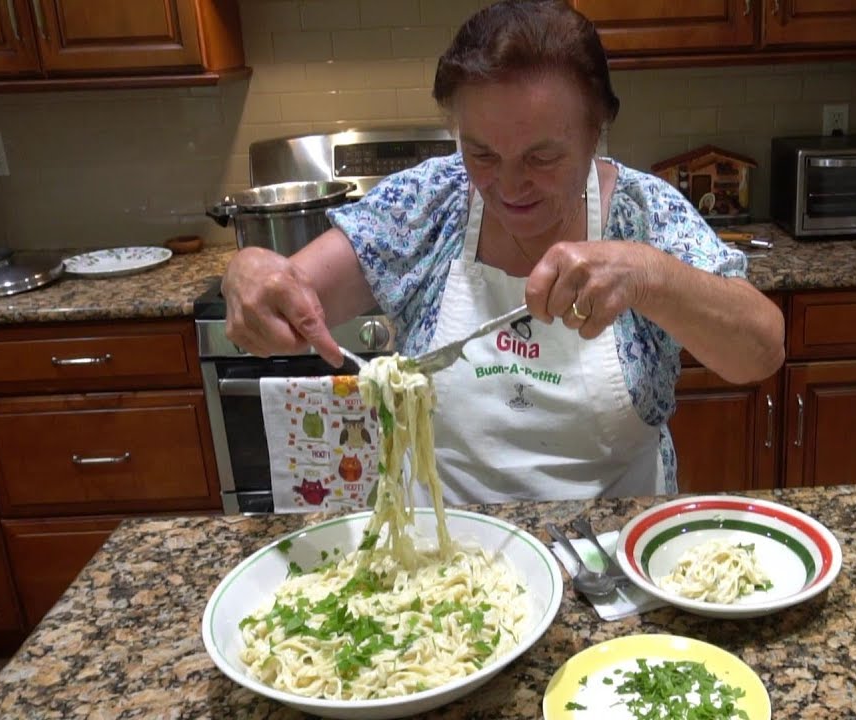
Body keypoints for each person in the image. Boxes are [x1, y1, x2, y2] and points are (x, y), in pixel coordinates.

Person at [221, 0, 785, 504]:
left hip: (605, 561)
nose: (509, 187)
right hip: (444, 562)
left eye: (541, 158)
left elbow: (761, 351)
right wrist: (249, 275)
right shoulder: (428, 203)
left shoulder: (645, 214)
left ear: (596, 135)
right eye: (482, 153)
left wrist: (648, 275)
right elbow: (292, 292)